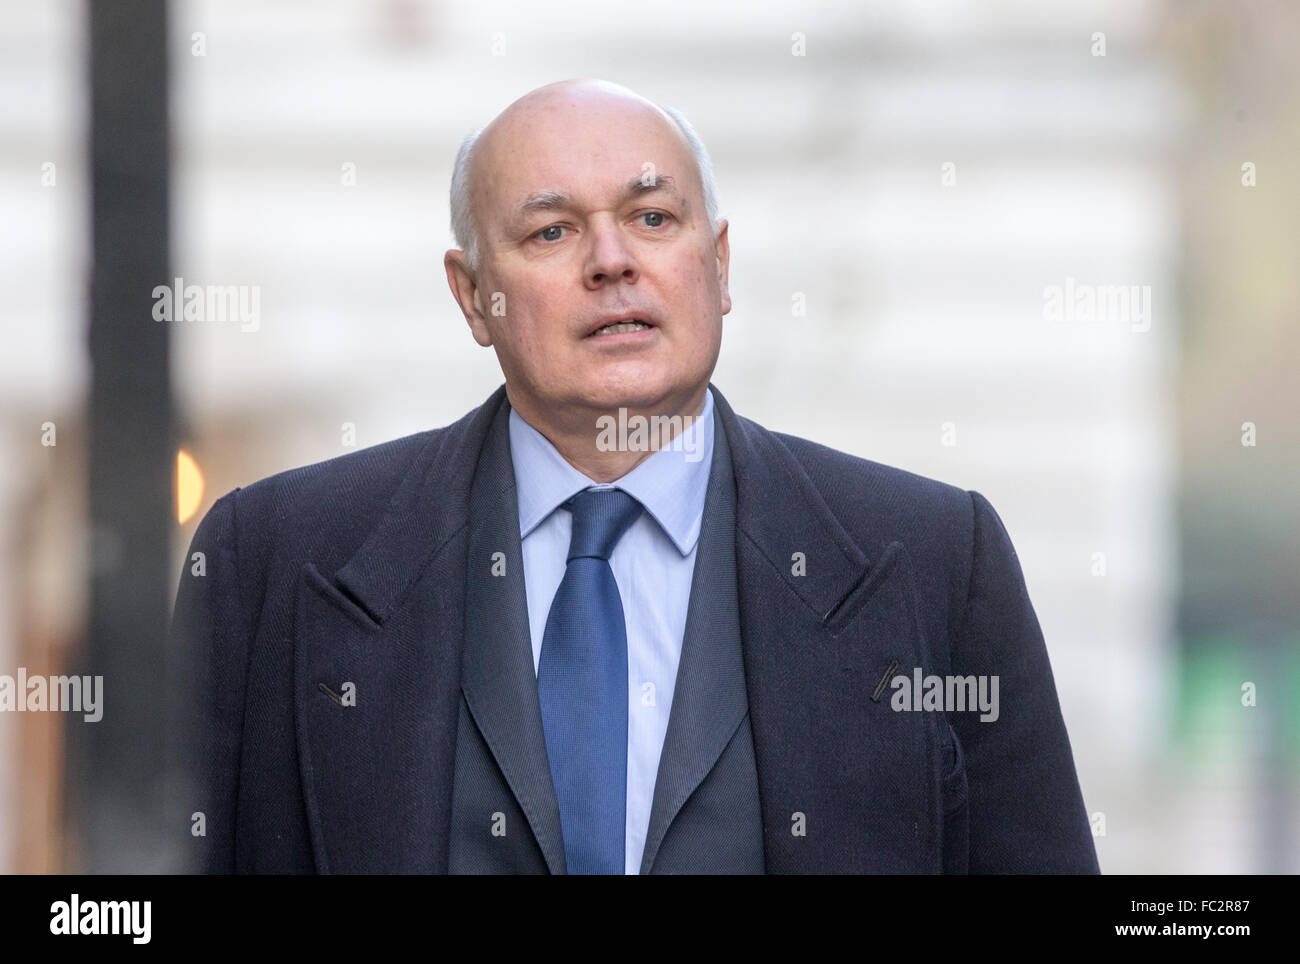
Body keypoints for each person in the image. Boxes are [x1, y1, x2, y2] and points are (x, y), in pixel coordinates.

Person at [173, 78, 1100, 874]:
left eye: (653, 218)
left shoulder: (936, 560)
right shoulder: (274, 562)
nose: (612, 260)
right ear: (472, 297)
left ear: (720, 265)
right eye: (550, 232)